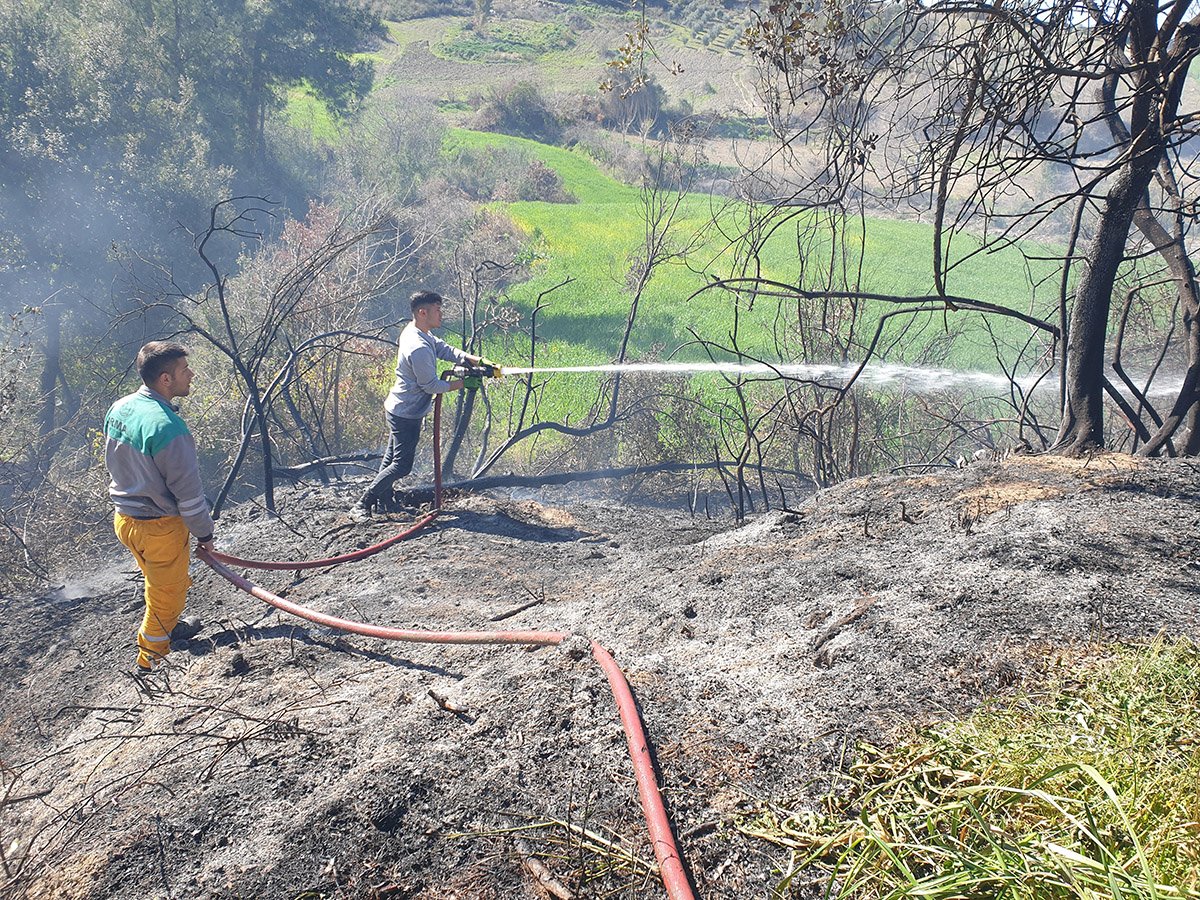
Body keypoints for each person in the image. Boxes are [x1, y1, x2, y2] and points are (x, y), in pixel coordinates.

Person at [104, 341, 214, 674]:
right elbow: (190, 496)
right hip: (158, 528)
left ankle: (172, 624)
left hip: (125, 520)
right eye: (184, 370)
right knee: (168, 594)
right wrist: (205, 535)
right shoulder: (169, 429)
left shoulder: (121, 407)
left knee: (160, 583)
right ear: (165, 379)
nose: (191, 374)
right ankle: (152, 661)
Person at [352, 290, 495, 518]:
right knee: (402, 465)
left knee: (391, 459)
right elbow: (431, 385)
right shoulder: (417, 346)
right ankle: (362, 504)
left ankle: (385, 502)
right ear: (422, 312)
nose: (441, 314)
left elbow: (443, 349)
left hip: (402, 408)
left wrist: (477, 361)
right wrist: (464, 383)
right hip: (406, 413)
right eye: (437, 310)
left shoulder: (419, 333)